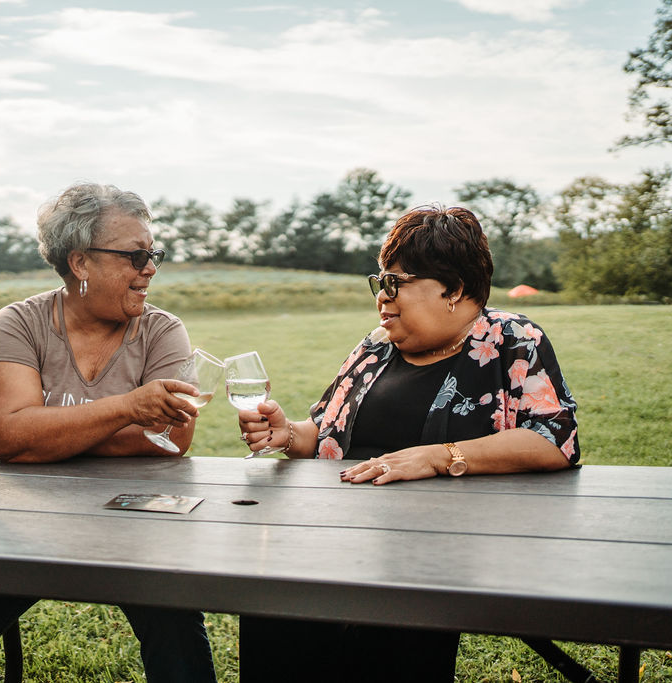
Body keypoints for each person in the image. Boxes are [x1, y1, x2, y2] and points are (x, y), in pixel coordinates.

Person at [236, 205, 579, 682]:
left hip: (430, 559)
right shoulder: (375, 347)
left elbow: (553, 440)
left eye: (397, 283)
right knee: (274, 611)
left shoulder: (511, 340)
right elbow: (325, 431)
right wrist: (288, 434)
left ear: (454, 289)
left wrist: (441, 458)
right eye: (380, 283)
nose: (383, 298)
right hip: (332, 541)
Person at [0, 183, 217, 683]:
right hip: (23, 521)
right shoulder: (18, 323)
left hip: (137, 525)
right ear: (80, 263)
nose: (150, 268)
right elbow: (9, 435)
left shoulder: (163, 331)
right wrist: (128, 407)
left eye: (154, 254)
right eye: (136, 255)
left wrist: (39, 432)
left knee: (175, 621)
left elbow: (168, 440)